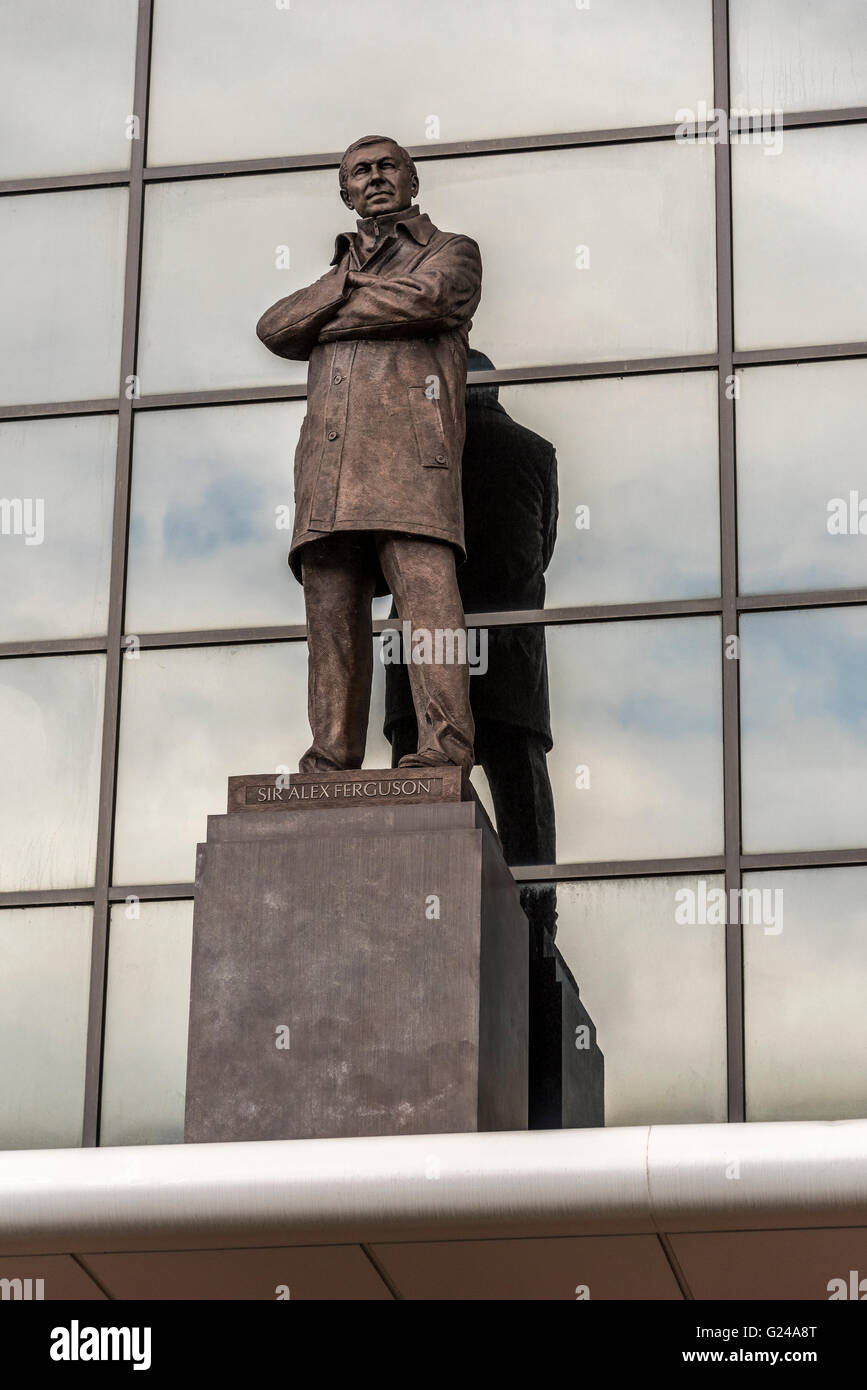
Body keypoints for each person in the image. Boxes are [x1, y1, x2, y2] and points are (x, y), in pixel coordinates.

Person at [256, 135, 482, 773]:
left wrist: (327, 308)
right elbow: (273, 327)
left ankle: (445, 749)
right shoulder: (338, 273)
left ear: (412, 180)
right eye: (361, 171)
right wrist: (349, 287)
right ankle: (331, 756)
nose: (375, 177)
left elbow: (431, 298)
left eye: (388, 167)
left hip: (411, 462)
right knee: (330, 611)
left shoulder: (451, 251)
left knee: (429, 602)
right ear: (345, 192)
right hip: (328, 472)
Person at [385, 350, 559, 940]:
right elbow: (540, 553)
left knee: (414, 794)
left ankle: (410, 908)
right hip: (509, 655)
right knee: (521, 795)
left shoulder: (418, 454)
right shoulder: (534, 453)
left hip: (422, 652)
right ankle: (539, 927)